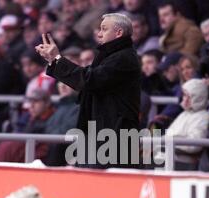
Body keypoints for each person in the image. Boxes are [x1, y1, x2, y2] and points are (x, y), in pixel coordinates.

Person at [36, 13, 141, 169]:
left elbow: (89, 80)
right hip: (100, 136)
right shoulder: (108, 55)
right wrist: (55, 60)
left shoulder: (124, 58)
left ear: (119, 33)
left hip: (115, 137)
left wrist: (57, 59)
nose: (99, 33)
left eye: (104, 29)